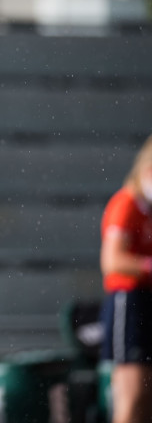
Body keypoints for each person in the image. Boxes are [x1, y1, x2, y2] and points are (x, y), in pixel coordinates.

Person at [100, 135, 152, 423]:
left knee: (146, 397)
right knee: (132, 393)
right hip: (130, 302)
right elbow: (112, 261)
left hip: (147, 298)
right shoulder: (126, 203)